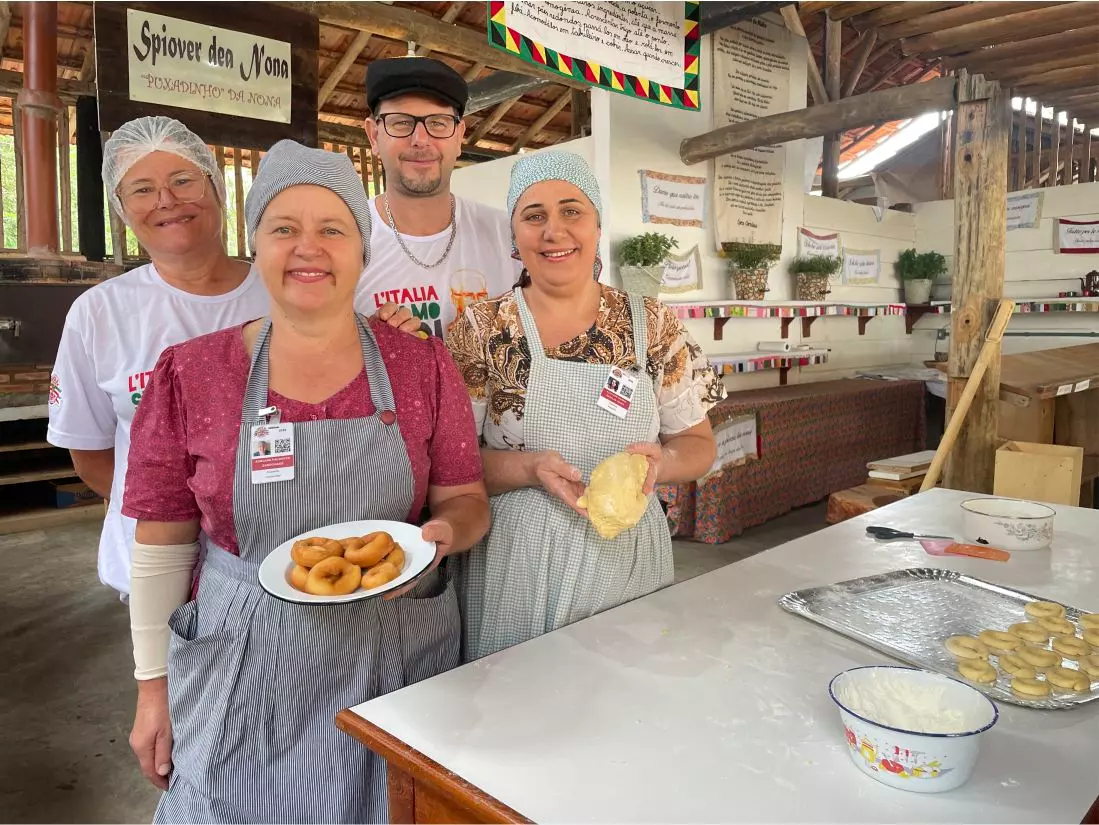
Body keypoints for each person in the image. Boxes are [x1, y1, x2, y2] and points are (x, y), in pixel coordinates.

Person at [120, 140, 490, 822]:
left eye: (332, 229)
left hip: (392, 661)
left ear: (360, 247)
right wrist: (152, 688)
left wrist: (442, 536)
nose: (308, 248)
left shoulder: (420, 365)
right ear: (254, 243)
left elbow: (465, 499)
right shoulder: (193, 372)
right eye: (283, 228)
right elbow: (162, 540)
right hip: (246, 666)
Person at [448, 151, 726, 662]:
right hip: (517, 565)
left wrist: (660, 462)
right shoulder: (480, 331)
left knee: (624, 714)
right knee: (523, 714)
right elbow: (451, 469)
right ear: (514, 236)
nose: (554, 231)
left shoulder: (653, 326)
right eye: (534, 216)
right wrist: (529, 469)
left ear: (598, 224)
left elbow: (698, 445)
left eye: (572, 211)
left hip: (626, 559)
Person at [46, 116, 270, 601]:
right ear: (122, 210)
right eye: (142, 189)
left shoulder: (279, 293)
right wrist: (173, 518)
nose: (167, 201)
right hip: (158, 573)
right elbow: (89, 453)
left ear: (216, 185)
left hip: (274, 560)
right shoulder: (99, 313)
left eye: (183, 180)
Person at [358, 56, 520, 338]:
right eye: (400, 123)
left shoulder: (508, 237)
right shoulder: (346, 242)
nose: (420, 139)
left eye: (439, 122)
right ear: (373, 136)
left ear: (459, 136)